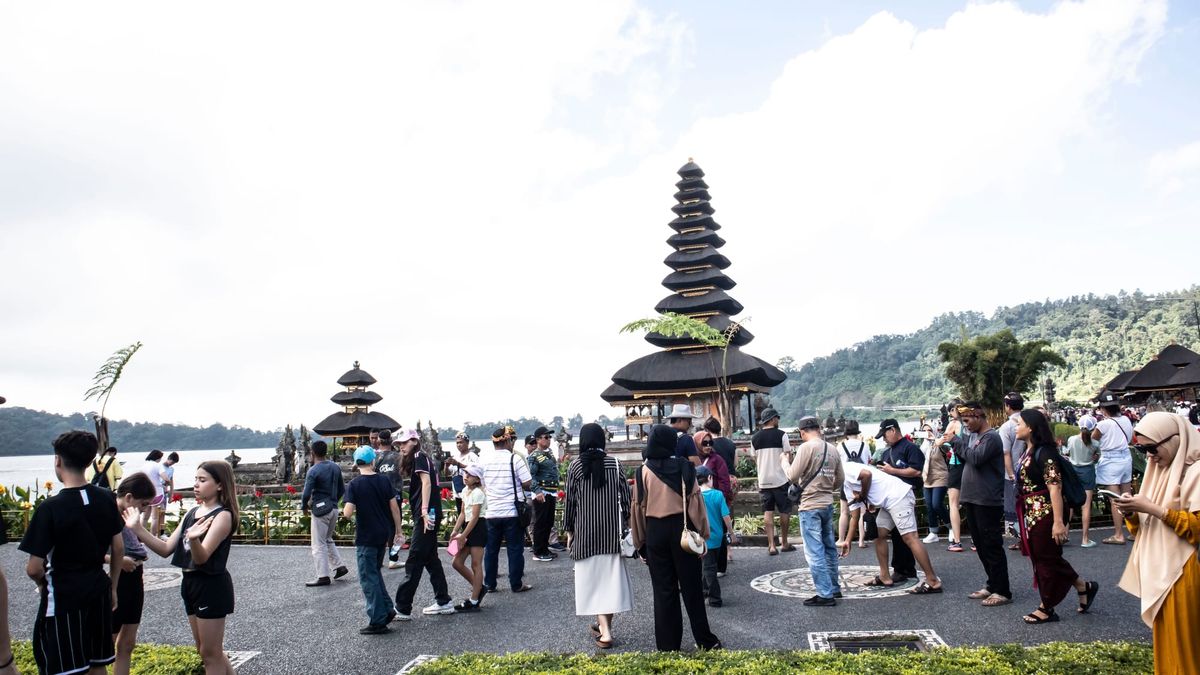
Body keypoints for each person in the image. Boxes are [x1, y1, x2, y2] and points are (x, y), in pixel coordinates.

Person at [20, 431, 125, 675]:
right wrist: (113, 587)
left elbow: (34, 568)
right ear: (89, 462)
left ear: (58, 460)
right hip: (99, 590)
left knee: (65, 668)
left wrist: (41, 583)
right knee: (98, 664)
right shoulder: (106, 498)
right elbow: (118, 547)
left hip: (64, 598)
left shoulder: (50, 508)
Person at [126, 460, 238, 673]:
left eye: (202, 480)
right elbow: (166, 548)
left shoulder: (222, 515)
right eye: (196, 479)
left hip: (211, 585)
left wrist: (194, 540)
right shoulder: (192, 512)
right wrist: (137, 529)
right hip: (190, 583)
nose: (196, 484)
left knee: (210, 654)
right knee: (205, 650)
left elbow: (202, 558)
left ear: (220, 485)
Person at [1115, 412, 1200, 674]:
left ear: (1175, 440)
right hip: (1161, 568)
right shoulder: (1158, 470)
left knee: (1185, 647)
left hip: (1184, 567)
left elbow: (1197, 527)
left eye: (1152, 448)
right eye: (1142, 449)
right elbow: (1141, 529)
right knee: (1168, 644)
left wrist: (1154, 509)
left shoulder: (1195, 471)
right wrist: (1131, 511)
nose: (1149, 456)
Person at [630, 425, 721, 652]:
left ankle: (668, 645)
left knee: (663, 591)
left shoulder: (642, 472)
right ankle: (705, 640)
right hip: (683, 530)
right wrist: (703, 536)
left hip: (655, 532)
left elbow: (638, 509)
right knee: (692, 589)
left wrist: (640, 544)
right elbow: (695, 503)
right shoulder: (685, 467)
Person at [1012, 410, 1097, 624]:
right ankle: (1083, 586)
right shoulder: (1028, 450)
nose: (1015, 427)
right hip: (1031, 513)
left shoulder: (1045, 453)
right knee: (1045, 558)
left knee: (1045, 560)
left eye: (1019, 423)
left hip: (1046, 513)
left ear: (1030, 427)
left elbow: (1055, 487)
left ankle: (1047, 607)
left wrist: (1059, 522)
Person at [563, 423, 634, 649]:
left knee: (593, 584)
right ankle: (604, 625)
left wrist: (569, 532)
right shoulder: (615, 464)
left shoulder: (575, 467)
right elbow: (626, 499)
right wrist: (629, 526)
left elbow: (570, 504)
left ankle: (606, 632)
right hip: (611, 534)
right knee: (610, 584)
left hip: (585, 534)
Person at [839, 462, 944, 595]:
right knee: (878, 534)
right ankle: (885, 576)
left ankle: (933, 581)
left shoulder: (846, 468)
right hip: (888, 501)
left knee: (910, 538)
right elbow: (854, 516)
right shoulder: (846, 487)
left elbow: (867, 474)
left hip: (899, 496)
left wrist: (863, 495)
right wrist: (847, 541)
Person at [342, 446, 405, 635]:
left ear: (356, 463)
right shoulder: (384, 481)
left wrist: (343, 510)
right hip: (382, 534)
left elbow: (347, 513)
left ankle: (377, 620)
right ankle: (386, 609)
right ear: (373, 461)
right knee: (375, 574)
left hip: (366, 536)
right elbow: (394, 507)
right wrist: (398, 530)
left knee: (368, 578)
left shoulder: (354, 485)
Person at [954, 401, 1011, 607]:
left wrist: (955, 441)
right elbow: (966, 458)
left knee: (992, 545)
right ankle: (992, 583)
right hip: (972, 497)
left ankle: (1002, 590)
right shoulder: (974, 436)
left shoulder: (992, 437)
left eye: (967, 420)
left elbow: (976, 458)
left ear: (978, 416)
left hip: (987, 500)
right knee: (980, 544)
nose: (965, 425)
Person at [393, 429, 454, 619]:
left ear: (414, 441)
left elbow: (427, 483)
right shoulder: (422, 458)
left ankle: (402, 607)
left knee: (414, 558)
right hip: (429, 513)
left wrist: (425, 511)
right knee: (430, 559)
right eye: (399, 444)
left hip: (427, 515)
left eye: (404, 443)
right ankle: (443, 600)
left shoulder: (419, 457)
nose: (401, 447)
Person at [786, 416, 845, 606]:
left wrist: (784, 462)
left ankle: (825, 594)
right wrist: (827, 488)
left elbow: (792, 476)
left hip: (810, 506)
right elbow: (840, 479)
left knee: (814, 551)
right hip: (827, 504)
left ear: (802, 432)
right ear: (819, 429)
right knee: (829, 548)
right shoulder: (833, 449)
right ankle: (834, 588)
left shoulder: (806, 447)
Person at [109, 473, 158, 675]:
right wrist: (118, 562)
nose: (145, 509)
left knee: (127, 643)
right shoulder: (107, 512)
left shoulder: (128, 516)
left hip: (134, 575)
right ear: (129, 498)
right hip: (115, 577)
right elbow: (86, 549)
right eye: (143, 504)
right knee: (106, 642)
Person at [480, 427, 534, 593]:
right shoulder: (514, 459)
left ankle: (489, 584)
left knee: (491, 550)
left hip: (492, 512)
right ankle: (516, 584)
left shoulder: (484, 460)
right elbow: (528, 482)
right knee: (515, 549)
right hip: (511, 511)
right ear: (507, 441)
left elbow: (481, 482)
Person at [875, 418, 923, 584]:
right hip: (889, 499)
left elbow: (916, 471)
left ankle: (909, 569)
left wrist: (892, 470)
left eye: (885, 435)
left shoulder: (910, 448)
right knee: (892, 535)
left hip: (906, 495)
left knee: (907, 536)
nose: (884, 439)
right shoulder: (886, 453)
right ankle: (898, 569)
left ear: (893, 430)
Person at [300, 440, 348, 587]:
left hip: (320, 510)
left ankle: (323, 576)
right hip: (333, 508)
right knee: (327, 539)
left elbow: (306, 493)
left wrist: (304, 507)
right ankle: (339, 566)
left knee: (318, 543)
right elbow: (342, 489)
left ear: (312, 453)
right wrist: (333, 501)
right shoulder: (335, 467)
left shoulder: (313, 470)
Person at [1093, 391, 1135, 545]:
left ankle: (1119, 534)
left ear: (1103, 409)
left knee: (1115, 500)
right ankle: (1135, 531)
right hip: (1126, 458)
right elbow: (1130, 437)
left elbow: (1092, 441)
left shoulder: (1103, 424)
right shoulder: (1126, 419)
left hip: (1110, 460)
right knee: (1127, 497)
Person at [750, 407, 794, 556]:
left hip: (764, 480)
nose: (778, 420)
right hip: (780, 479)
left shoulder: (754, 438)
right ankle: (785, 542)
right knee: (784, 510)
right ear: (773, 419)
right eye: (777, 418)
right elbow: (788, 456)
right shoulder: (782, 435)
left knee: (767, 512)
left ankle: (771, 545)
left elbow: (754, 458)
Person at [448, 464, 488, 612]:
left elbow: (476, 516)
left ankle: (474, 599)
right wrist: (455, 530)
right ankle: (479, 588)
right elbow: (463, 513)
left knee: (476, 564)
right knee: (456, 562)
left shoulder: (478, 492)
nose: (465, 477)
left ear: (477, 479)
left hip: (478, 528)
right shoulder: (465, 490)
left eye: (469, 475)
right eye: (465, 474)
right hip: (468, 527)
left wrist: (463, 535)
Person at [695, 429, 735, 575]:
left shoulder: (717, 460)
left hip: (714, 500)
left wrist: (721, 499)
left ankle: (720, 566)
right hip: (698, 501)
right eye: (704, 443)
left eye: (710, 442)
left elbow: (725, 481)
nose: (708, 446)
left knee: (720, 531)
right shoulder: (692, 458)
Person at [697, 466, 731, 608]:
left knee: (707, 567)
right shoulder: (718, 495)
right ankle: (709, 594)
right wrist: (731, 532)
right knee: (710, 567)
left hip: (701, 538)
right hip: (717, 537)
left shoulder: (695, 496)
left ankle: (712, 597)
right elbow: (726, 516)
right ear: (709, 478)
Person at [836, 420, 871, 550]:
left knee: (844, 512)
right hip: (862, 481)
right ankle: (861, 541)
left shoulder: (841, 446)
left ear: (846, 432)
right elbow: (868, 462)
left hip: (847, 482)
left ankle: (841, 539)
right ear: (857, 431)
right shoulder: (865, 445)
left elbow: (838, 464)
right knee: (862, 512)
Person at [528, 425, 561, 562]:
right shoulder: (534, 456)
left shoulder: (549, 453)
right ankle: (538, 551)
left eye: (549, 437)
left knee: (548, 522)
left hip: (551, 492)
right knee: (540, 523)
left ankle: (545, 548)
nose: (549, 440)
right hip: (542, 492)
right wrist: (537, 491)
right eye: (546, 437)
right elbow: (531, 476)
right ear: (538, 439)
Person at [1065, 416, 1099, 547]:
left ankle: (1065, 534)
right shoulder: (1095, 443)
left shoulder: (1072, 439)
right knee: (1086, 506)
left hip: (1074, 471)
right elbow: (1096, 458)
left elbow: (1068, 453)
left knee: (1071, 504)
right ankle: (1085, 539)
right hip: (1088, 472)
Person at [998, 393, 1027, 545]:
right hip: (1029, 470)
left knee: (1013, 506)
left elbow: (1006, 453)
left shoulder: (1006, 427)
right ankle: (1030, 536)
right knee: (1028, 504)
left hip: (1013, 472)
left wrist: (1010, 475)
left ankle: (1020, 540)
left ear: (1008, 406)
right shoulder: (1029, 421)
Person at [939, 400, 967, 551]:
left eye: (951, 410)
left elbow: (941, 442)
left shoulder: (954, 424)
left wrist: (936, 441)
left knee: (954, 504)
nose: (950, 413)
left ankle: (957, 541)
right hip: (970, 464)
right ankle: (976, 540)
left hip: (957, 464)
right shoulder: (970, 424)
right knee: (971, 502)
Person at [920, 424, 950, 545]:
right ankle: (933, 532)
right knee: (929, 506)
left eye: (929, 430)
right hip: (927, 477)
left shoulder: (940, 442)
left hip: (940, 476)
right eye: (924, 431)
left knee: (937, 504)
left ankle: (952, 527)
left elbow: (947, 448)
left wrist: (935, 440)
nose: (927, 432)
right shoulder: (922, 446)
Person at [445, 432, 479, 515]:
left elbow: (475, 471)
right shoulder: (455, 457)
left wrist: (458, 464)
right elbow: (447, 474)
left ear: (467, 443)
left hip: (470, 492)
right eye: (457, 443)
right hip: (457, 493)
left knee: (470, 515)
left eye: (461, 442)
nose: (459, 445)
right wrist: (446, 465)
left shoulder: (472, 456)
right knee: (461, 514)